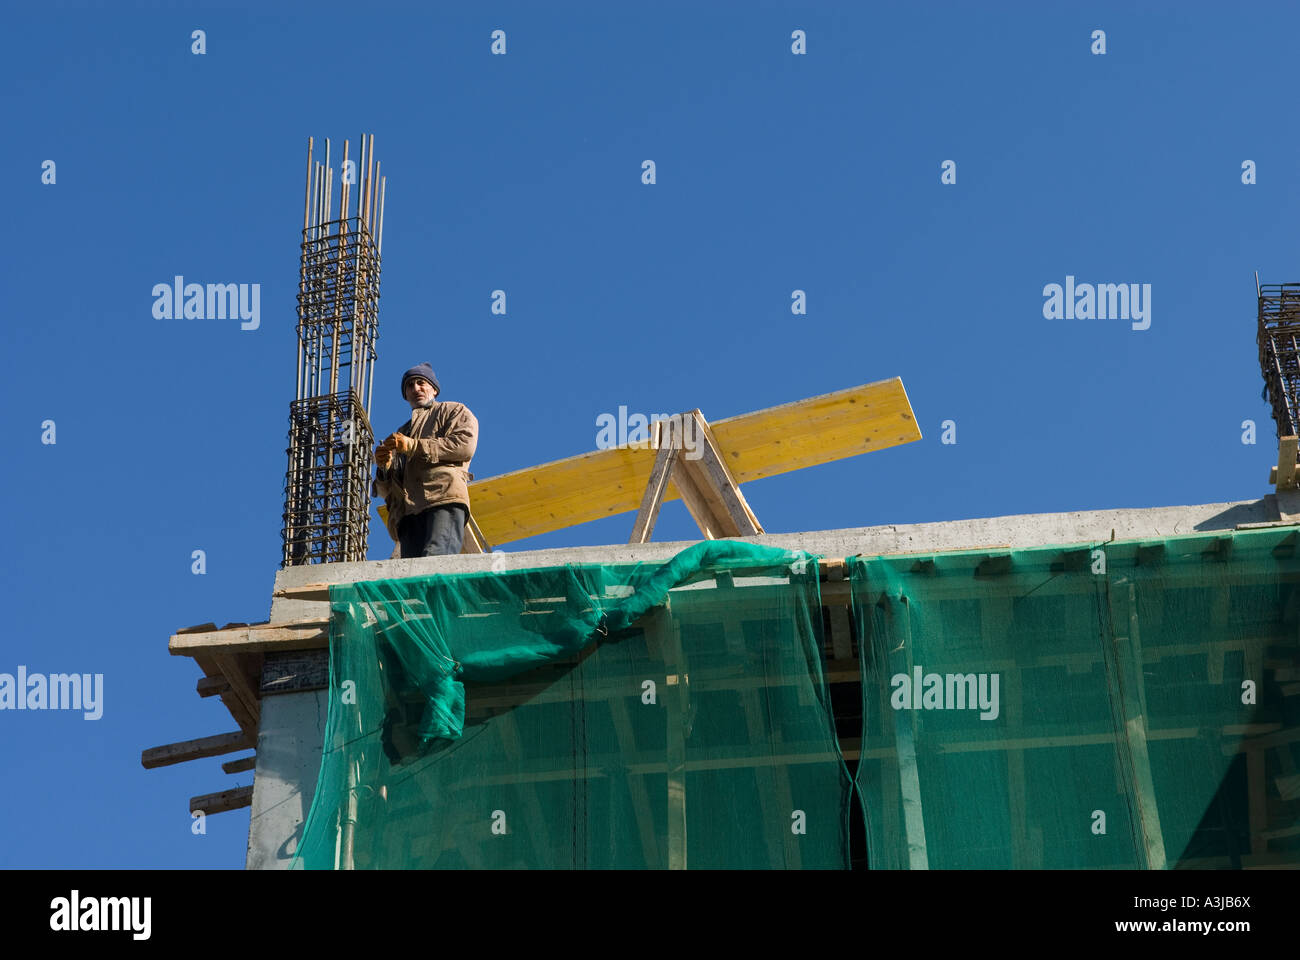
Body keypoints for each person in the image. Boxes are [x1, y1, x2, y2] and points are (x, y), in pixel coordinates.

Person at [372, 362, 479, 557]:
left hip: (442, 498)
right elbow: (385, 489)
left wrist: (413, 446)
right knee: (411, 576)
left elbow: (464, 446)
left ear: (434, 389)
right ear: (405, 395)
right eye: (409, 386)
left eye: (421, 383)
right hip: (406, 515)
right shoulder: (402, 433)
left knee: (436, 560)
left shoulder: (452, 411)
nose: (415, 389)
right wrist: (384, 468)